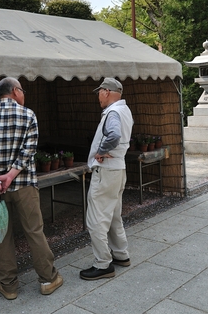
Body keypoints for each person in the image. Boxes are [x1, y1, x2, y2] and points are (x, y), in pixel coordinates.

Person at [0, 77, 63, 300]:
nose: (24, 94)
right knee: (34, 231)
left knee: (1, 236)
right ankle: (48, 280)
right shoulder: (28, 115)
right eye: (22, 90)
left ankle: (9, 286)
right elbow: (29, 150)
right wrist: (12, 175)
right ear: (15, 91)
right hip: (24, 186)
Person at [80, 77, 134, 281]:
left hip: (106, 172)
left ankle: (103, 264)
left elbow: (113, 135)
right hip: (118, 170)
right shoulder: (124, 110)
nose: (98, 97)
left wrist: (100, 151)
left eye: (99, 92)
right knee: (113, 216)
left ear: (106, 91)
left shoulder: (113, 112)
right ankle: (121, 255)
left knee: (95, 219)